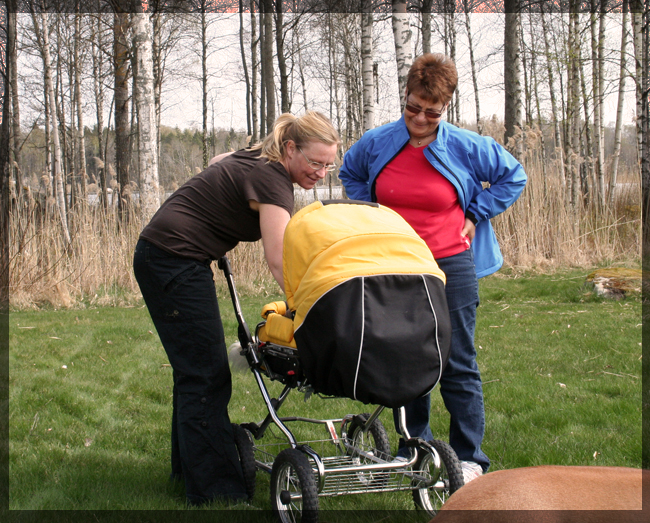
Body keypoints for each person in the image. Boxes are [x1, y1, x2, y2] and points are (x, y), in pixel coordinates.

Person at [133, 111, 340, 506]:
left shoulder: (256, 156)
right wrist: (304, 309)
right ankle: (217, 494)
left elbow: (216, 163)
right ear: (291, 148)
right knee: (206, 375)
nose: (321, 173)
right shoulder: (273, 179)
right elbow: (279, 259)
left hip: (167, 256)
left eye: (329, 165)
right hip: (173, 260)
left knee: (193, 372)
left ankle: (189, 474)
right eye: (315, 163)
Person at [338, 53, 527, 484]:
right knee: (406, 358)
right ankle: (413, 448)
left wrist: (475, 213)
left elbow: (513, 176)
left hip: (450, 263)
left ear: (445, 108)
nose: (420, 119)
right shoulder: (378, 141)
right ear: (404, 97)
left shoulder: (464, 145)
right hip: (396, 263)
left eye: (431, 112)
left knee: (457, 360)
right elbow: (350, 172)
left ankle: (469, 458)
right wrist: (371, 211)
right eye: (413, 108)